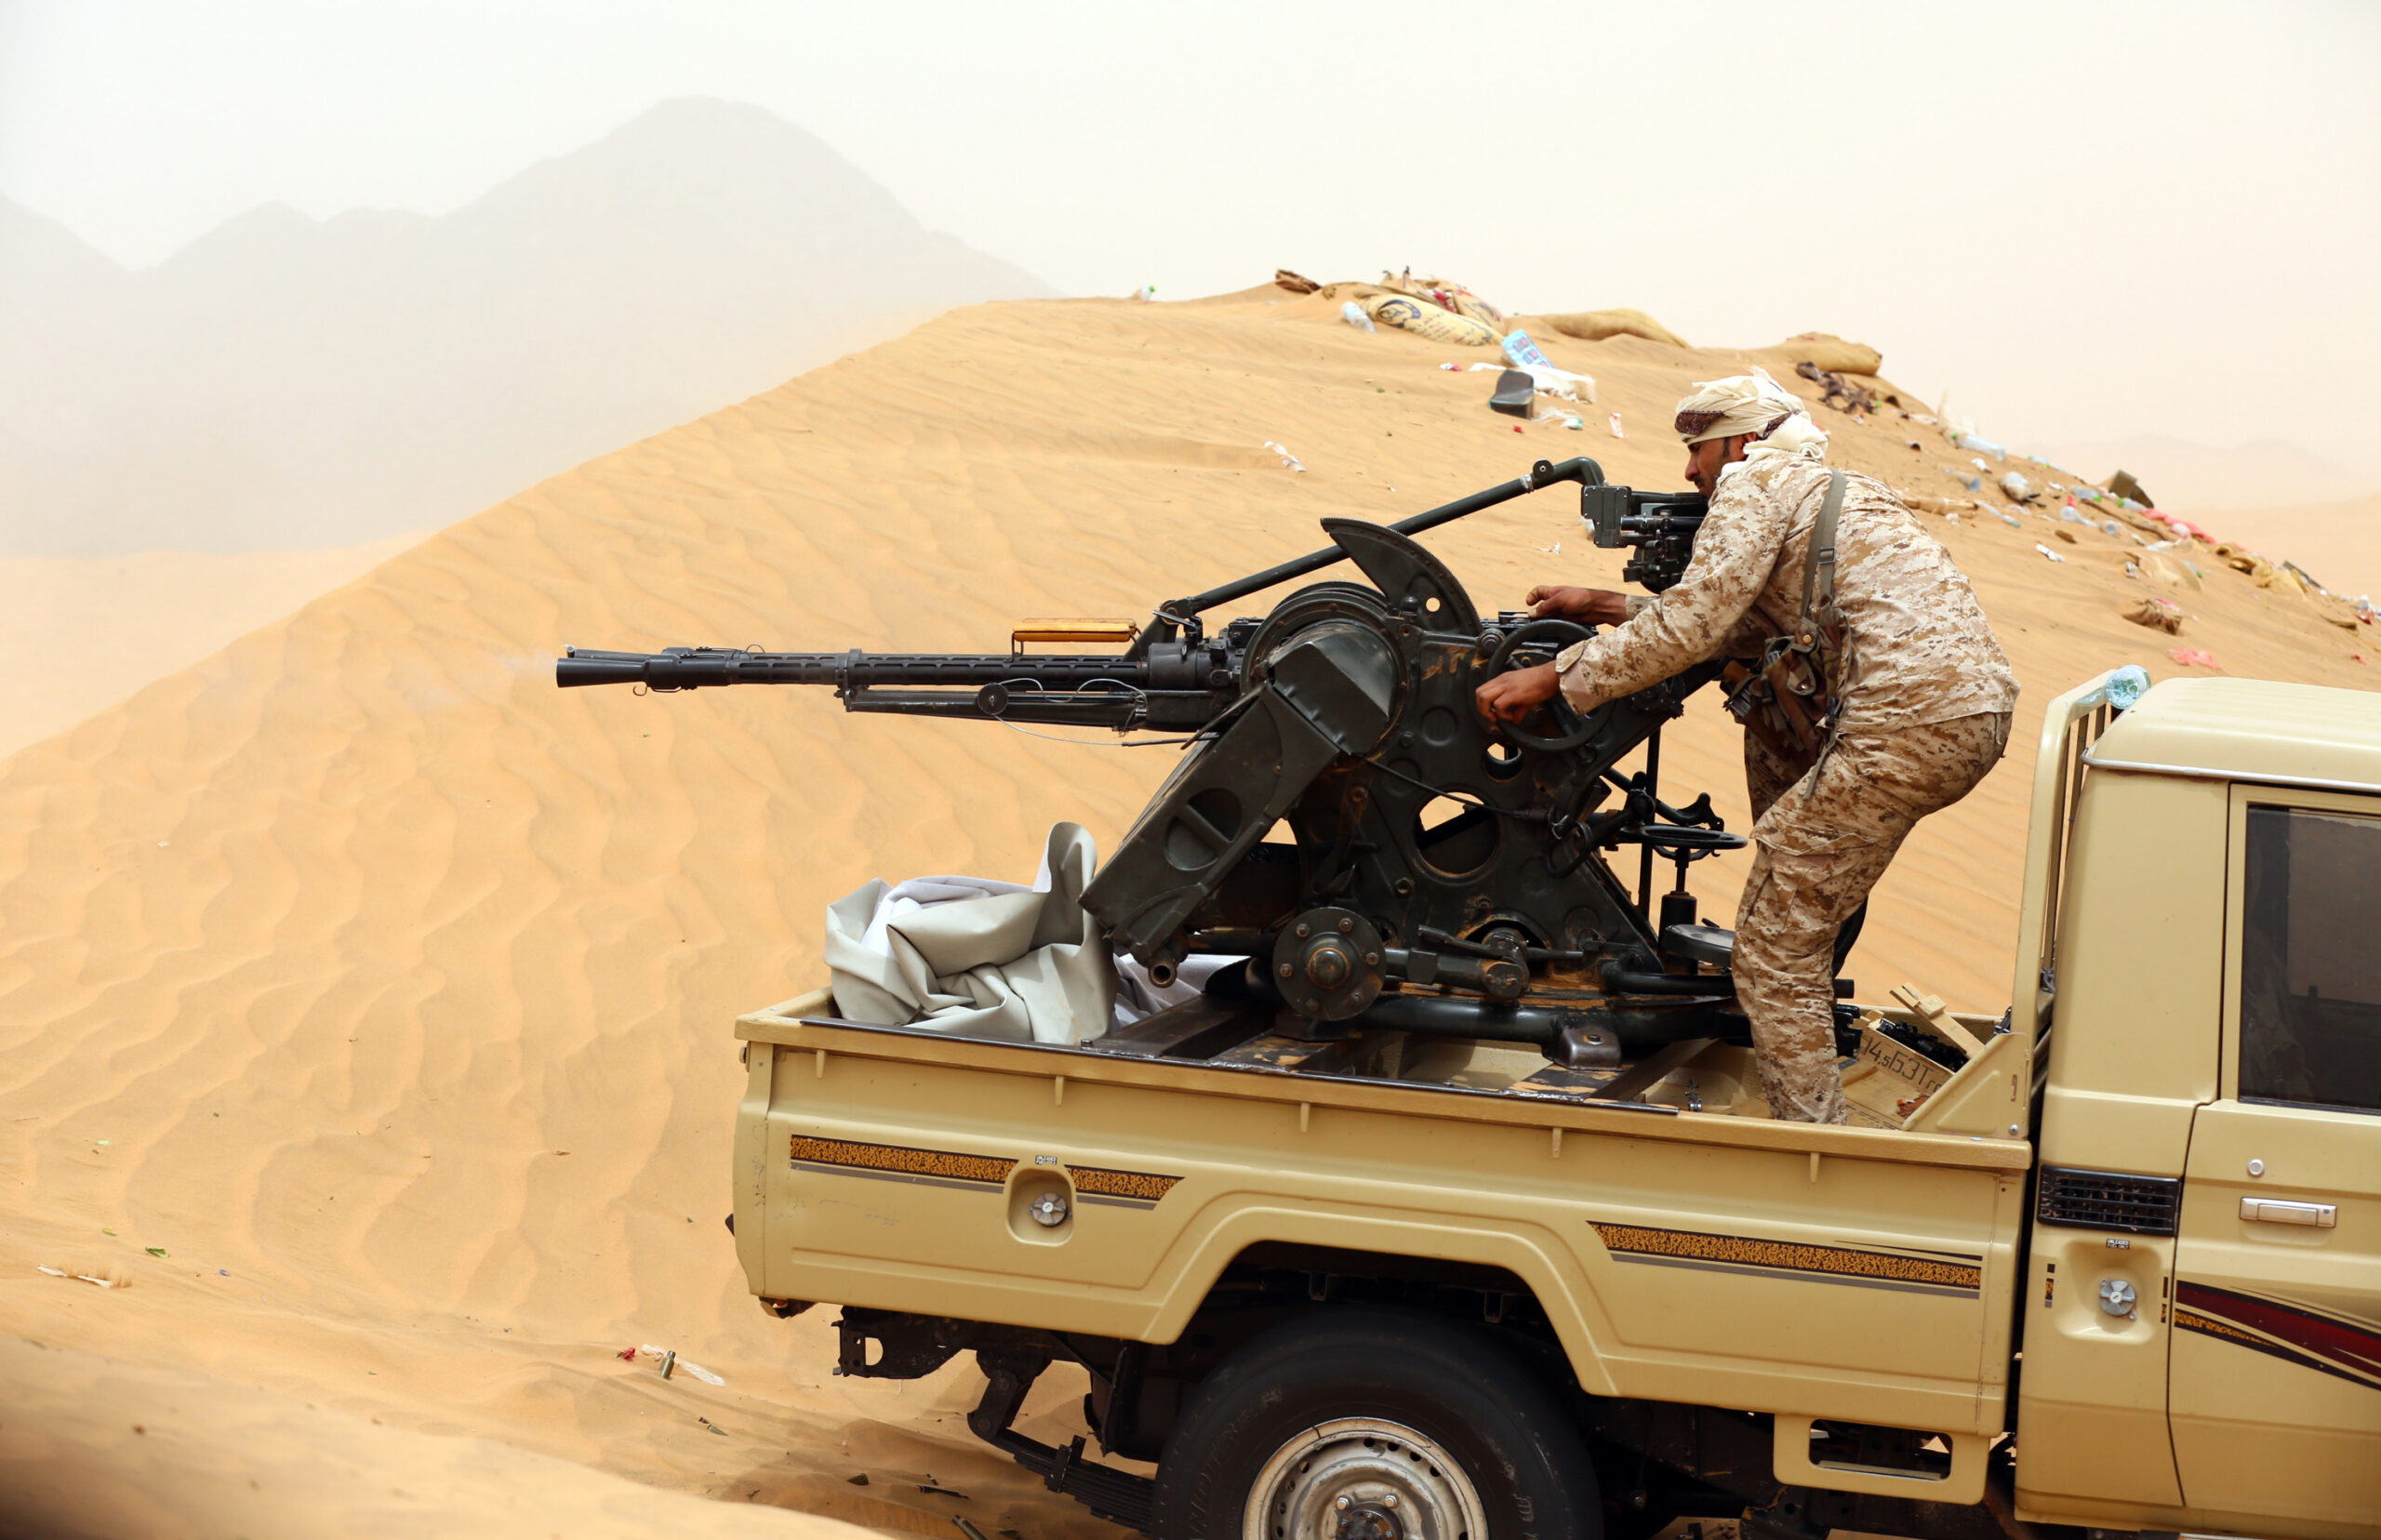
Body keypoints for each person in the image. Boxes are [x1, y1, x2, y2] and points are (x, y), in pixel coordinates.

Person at [1475, 369, 2016, 1123]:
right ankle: (1806, 1056)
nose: (1689, 469)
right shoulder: (1830, 487)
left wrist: (1559, 676)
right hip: (1964, 716)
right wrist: (1604, 605)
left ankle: (1812, 1150)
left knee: (1771, 954)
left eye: (1697, 447)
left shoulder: (1753, 484)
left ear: (1741, 441)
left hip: (1900, 725)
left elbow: (1694, 627)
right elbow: (1745, 624)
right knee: (1805, 909)